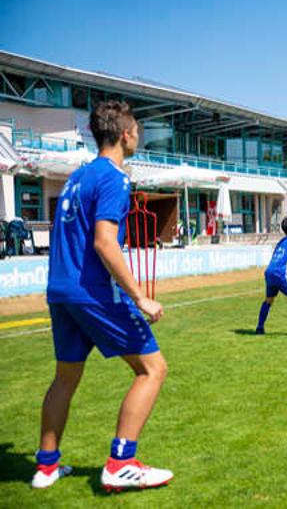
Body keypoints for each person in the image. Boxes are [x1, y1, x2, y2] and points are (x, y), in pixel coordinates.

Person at [33, 101, 172, 491]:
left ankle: (46, 467)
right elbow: (105, 243)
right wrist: (141, 297)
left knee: (65, 378)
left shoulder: (77, 177)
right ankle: (121, 462)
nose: (138, 137)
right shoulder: (114, 177)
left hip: (60, 291)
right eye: (138, 131)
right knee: (153, 369)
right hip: (93, 292)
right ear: (126, 134)